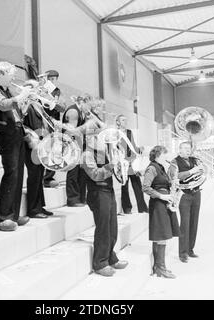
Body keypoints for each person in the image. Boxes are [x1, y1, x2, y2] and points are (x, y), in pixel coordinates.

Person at [0, 62, 33, 231]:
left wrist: (26, 101)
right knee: (11, 173)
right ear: (2, 74)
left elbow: (17, 111)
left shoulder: (8, 90)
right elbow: (4, 105)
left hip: (17, 132)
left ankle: (12, 214)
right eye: (11, 74)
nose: (13, 77)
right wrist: (21, 96)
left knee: (19, 174)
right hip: (6, 135)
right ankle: (2, 217)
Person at [81, 130, 128, 277]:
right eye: (95, 137)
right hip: (98, 193)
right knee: (103, 229)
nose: (99, 139)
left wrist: (121, 164)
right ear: (87, 139)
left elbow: (114, 170)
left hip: (108, 190)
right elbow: (95, 174)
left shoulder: (103, 151)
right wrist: (111, 165)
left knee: (112, 227)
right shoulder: (86, 155)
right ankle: (100, 263)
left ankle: (110, 257)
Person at [142, 145, 180, 278]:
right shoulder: (152, 168)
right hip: (158, 203)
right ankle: (161, 268)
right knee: (162, 235)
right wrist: (162, 196)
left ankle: (158, 267)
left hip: (164, 204)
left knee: (161, 235)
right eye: (165, 154)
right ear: (158, 155)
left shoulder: (162, 168)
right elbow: (145, 187)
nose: (167, 157)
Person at [168, 141, 205, 263]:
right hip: (183, 194)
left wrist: (198, 171)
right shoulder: (174, 161)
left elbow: (202, 170)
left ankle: (190, 249)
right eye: (185, 148)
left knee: (194, 222)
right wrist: (191, 172)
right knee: (184, 223)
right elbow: (175, 176)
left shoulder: (194, 160)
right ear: (179, 150)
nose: (188, 150)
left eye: (189, 148)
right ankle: (182, 253)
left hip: (196, 193)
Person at [23, 82, 55, 219]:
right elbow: (23, 125)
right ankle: (33, 209)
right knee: (34, 176)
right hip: (32, 146)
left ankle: (40, 206)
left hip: (42, 145)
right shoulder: (27, 105)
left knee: (39, 176)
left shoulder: (38, 106)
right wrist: (32, 140)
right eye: (37, 89)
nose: (39, 91)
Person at [115, 114, 148, 214]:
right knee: (124, 187)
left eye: (126, 120)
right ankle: (127, 209)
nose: (125, 122)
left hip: (133, 163)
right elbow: (115, 148)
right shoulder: (115, 133)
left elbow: (132, 145)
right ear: (118, 122)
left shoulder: (129, 132)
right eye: (123, 120)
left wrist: (139, 149)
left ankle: (142, 208)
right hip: (123, 163)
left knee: (138, 187)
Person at [62, 95, 89, 207]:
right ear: (82, 102)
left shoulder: (81, 112)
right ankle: (72, 199)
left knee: (81, 172)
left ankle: (81, 197)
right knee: (73, 172)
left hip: (78, 144)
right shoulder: (73, 111)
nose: (89, 109)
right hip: (71, 145)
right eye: (88, 106)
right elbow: (71, 131)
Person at [41, 70, 64, 188]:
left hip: (53, 122)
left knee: (54, 149)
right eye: (50, 79)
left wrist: (56, 102)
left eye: (54, 79)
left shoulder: (57, 90)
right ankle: (44, 178)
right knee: (46, 149)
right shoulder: (41, 88)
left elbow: (60, 107)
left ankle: (49, 177)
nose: (52, 81)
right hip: (42, 121)